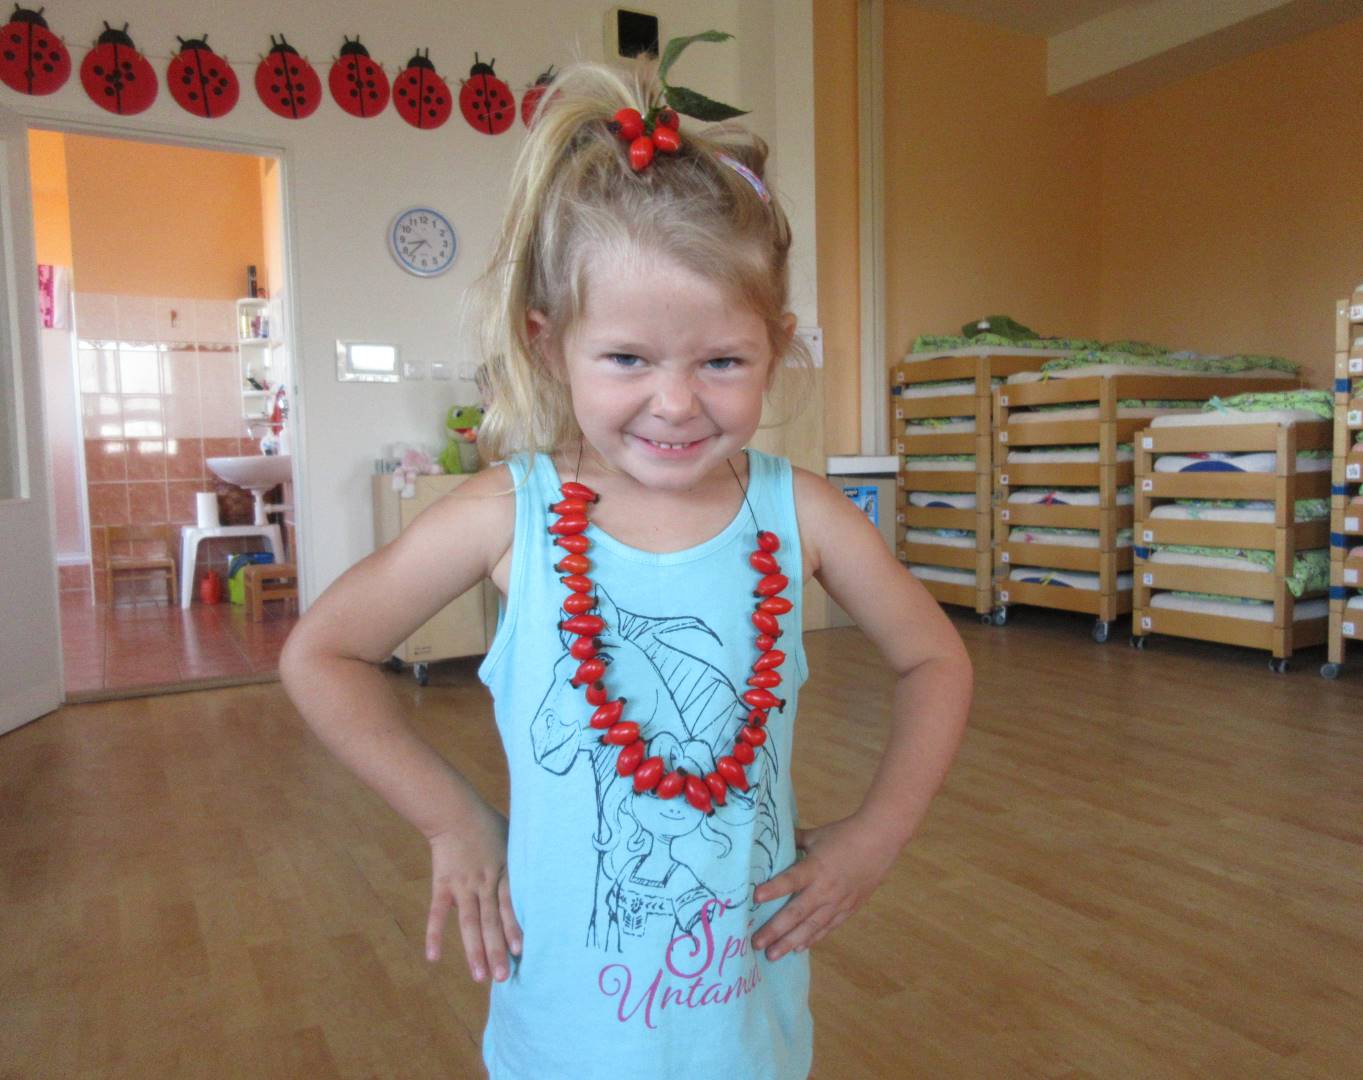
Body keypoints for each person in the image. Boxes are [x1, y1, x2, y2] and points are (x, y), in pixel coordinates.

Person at [280, 54, 971, 1080]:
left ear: (776, 347)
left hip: (747, 1031)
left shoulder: (802, 513)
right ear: (548, 344)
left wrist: (878, 836)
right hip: (563, 1035)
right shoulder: (508, 514)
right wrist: (452, 822)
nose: (677, 402)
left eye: (722, 361)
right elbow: (322, 654)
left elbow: (936, 660)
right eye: (628, 359)